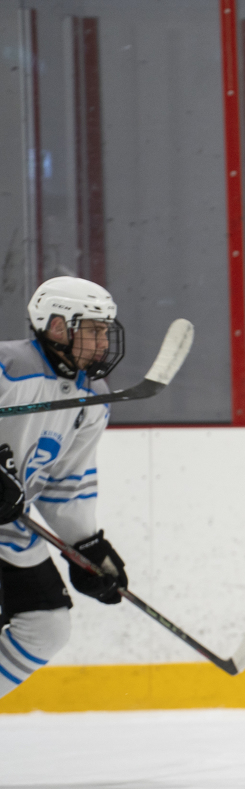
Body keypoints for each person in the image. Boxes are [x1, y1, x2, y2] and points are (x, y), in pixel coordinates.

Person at [0, 277, 129, 699]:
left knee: (47, 627)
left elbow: (66, 484)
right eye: (93, 330)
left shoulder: (92, 400)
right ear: (57, 327)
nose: (102, 342)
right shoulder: (7, 366)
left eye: (105, 331)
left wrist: (86, 547)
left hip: (8, 528)